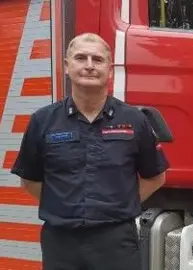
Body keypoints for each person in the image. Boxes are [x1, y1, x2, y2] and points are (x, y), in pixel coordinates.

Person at [10, 32, 169, 270]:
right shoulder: (42, 121)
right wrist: (64, 203)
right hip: (61, 242)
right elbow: (29, 180)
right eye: (81, 58)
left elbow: (155, 176)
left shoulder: (135, 120)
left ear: (110, 69)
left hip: (116, 241)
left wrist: (118, 204)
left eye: (97, 59)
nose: (89, 66)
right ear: (67, 66)